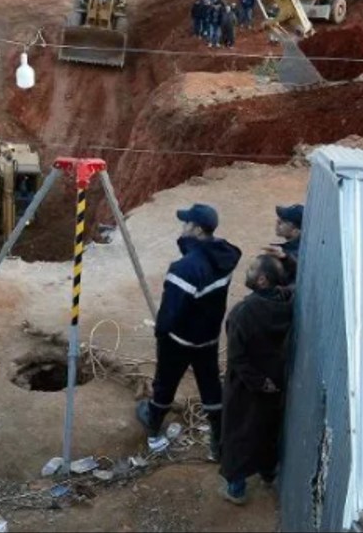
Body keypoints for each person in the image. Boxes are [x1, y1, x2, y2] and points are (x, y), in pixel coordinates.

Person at [136, 204, 241, 459]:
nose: (182, 227)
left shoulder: (185, 268)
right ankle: (219, 443)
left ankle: (153, 431)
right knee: (210, 385)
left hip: (180, 340)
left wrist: (161, 333)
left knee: (165, 384)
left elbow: (170, 312)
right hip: (209, 337)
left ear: (196, 228)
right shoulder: (225, 257)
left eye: (186, 224)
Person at [219, 255, 293, 506]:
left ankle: (236, 488)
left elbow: (237, 358)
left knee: (238, 434)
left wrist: (259, 382)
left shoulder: (243, 313)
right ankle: (268, 474)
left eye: (252, 269)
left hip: (245, 387)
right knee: (268, 429)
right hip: (276, 381)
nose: (247, 272)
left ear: (262, 280)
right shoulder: (287, 306)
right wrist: (269, 383)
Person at [263, 204, 302, 285]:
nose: (277, 222)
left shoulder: (294, 254)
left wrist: (284, 257)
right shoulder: (292, 248)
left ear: (296, 231)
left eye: (283, 221)